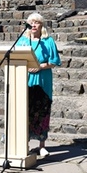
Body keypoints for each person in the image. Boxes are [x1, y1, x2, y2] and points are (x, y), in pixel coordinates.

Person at [16, 13, 61, 157]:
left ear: (41, 25)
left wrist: (41, 66)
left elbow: (54, 61)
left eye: (36, 22)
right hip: (25, 78)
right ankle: (25, 144)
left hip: (42, 79)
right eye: (31, 22)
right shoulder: (22, 40)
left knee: (42, 109)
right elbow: (15, 57)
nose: (33, 25)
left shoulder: (48, 41)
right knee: (25, 110)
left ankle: (42, 145)